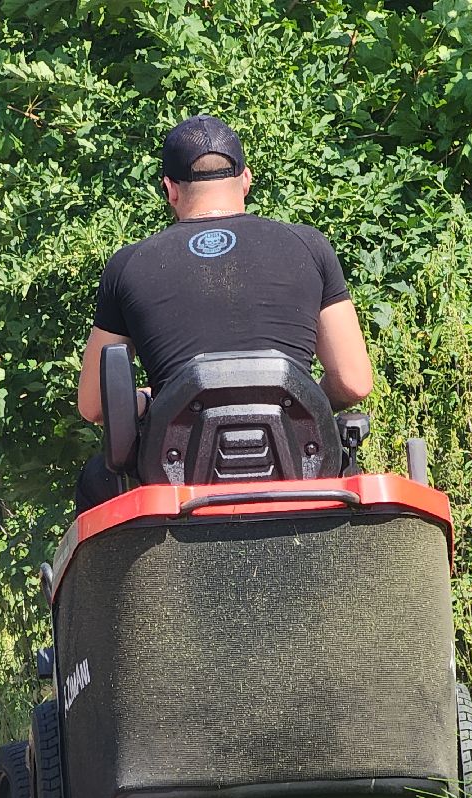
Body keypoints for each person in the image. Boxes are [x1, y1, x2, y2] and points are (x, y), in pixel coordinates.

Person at [74, 114, 374, 513]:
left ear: (170, 190)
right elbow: (354, 382)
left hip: (178, 484)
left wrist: (157, 401)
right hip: (304, 475)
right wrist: (299, 403)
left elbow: (95, 406)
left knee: (95, 480)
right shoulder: (309, 247)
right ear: (246, 180)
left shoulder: (128, 266)